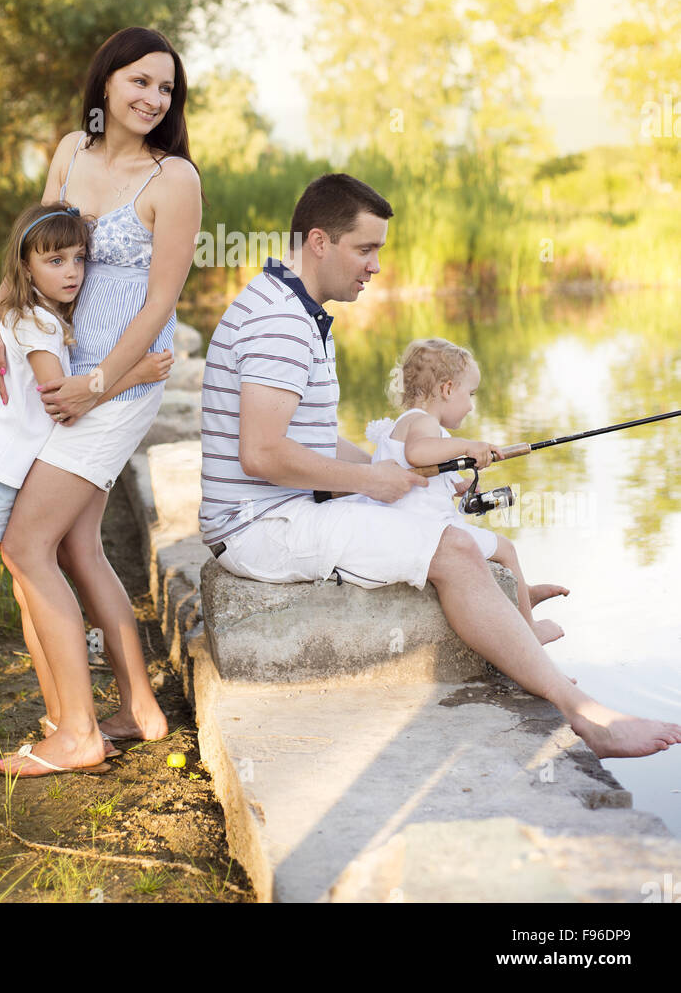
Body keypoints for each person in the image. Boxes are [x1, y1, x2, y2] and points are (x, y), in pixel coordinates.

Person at [199, 172, 681, 760]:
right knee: (452, 549)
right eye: (366, 249)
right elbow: (262, 454)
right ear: (320, 241)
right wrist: (371, 481)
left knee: (440, 525)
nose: (376, 265)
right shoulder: (281, 321)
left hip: (280, 509)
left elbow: (315, 442)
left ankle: (518, 618)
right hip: (257, 525)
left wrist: (394, 464)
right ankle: (586, 716)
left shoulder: (291, 306)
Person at [0, 27, 202, 778]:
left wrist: (105, 381)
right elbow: (33, 252)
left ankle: (76, 736)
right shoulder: (72, 150)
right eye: (139, 81)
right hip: (64, 374)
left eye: (165, 88)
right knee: (72, 545)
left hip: (117, 383)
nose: (152, 98)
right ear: (106, 82)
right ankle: (137, 707)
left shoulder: (175, 181)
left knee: (25, 544)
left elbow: (160, 304)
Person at [0, 201, 172, 765]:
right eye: (55, 259)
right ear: (26, 264)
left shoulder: (45, 314)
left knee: (26, 583)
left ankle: (67, 717)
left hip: (17, 473)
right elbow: (62, 401)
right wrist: (132, 372)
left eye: (80, 258)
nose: (72, 272)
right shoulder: (34, 321)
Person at [359, 336, 568, 646]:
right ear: (446, 389)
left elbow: (416, 469)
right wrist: (470, 445)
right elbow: (418, 453)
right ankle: (529, 628)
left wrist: (455, 485)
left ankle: (524, 593)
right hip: (425, 533)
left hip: (411, 525)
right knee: (506, 549)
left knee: (498, 551)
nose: (471, 405)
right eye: (470, 394)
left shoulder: (405, 423)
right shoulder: (424, 424)